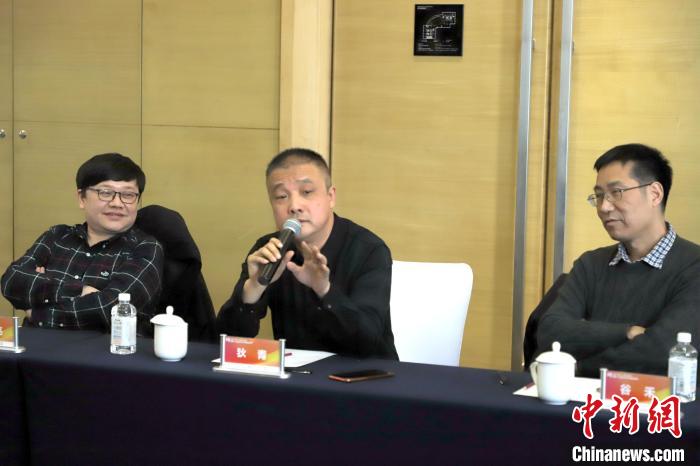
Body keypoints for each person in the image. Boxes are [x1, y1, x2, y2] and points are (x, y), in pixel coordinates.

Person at [217, 148, 398, 359]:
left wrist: (324, 290)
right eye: (281, 196)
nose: (294, 206)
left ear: (331, 197)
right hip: (295, 375)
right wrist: (253, 288)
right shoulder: (269, 249)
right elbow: (223, 342)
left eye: (307, 192)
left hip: (366, 374)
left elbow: (367, 340)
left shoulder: (369, 250)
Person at [537, 143, 700, 376]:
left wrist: (577, 366)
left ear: (655, 194)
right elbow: (549, 333)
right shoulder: (590, 264)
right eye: (599, 195)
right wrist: (626, 332)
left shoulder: (693, 267)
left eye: (617, 192)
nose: (604, 206)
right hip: (582, 398)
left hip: (653, 400)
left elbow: (663, 354)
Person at [1, 153, 164, 333]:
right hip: (37, 346)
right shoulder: (57, 236)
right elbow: (11, 281)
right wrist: (81, 290)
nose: (117, 203)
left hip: (106, 350)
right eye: (106, 193)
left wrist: (38, 311)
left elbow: (110, 309)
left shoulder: (146, 249)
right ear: (81, 198)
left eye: (128, 195)